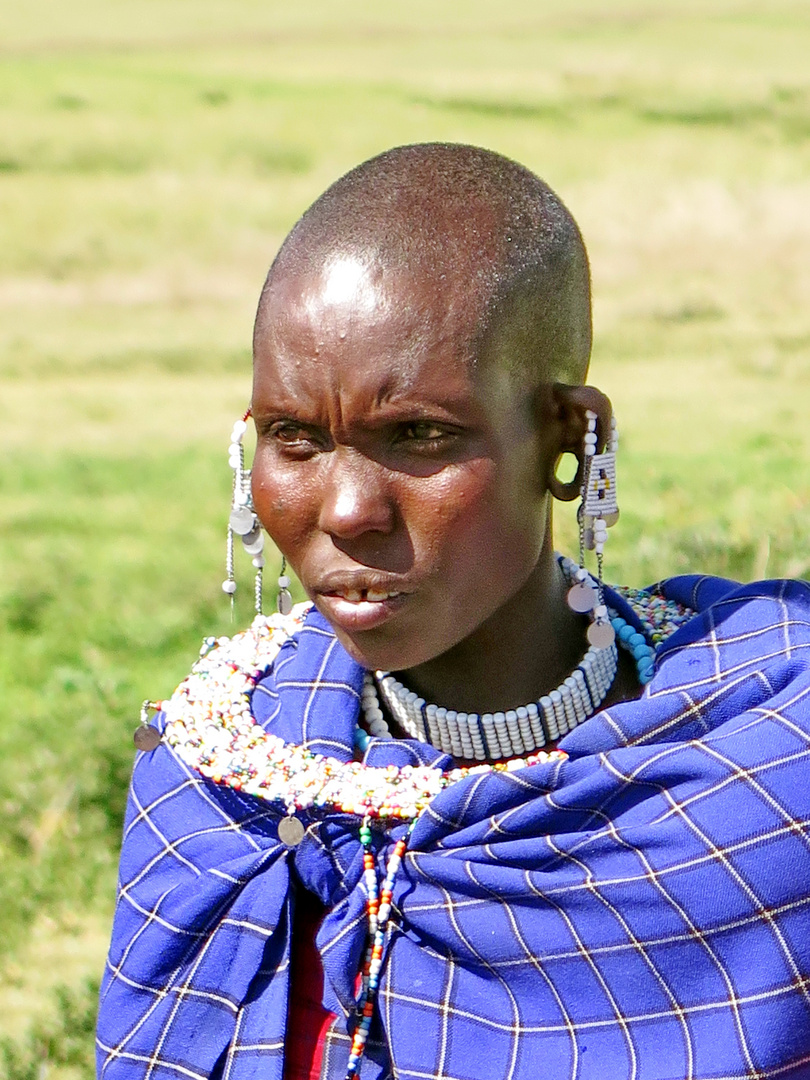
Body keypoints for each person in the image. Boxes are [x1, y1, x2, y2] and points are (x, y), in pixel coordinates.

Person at [97, 144, 810, 1080]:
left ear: (567, 439)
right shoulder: (219, 775)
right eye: (294, 439)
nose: (346, 511)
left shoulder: (766, 761)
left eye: (420, 437)